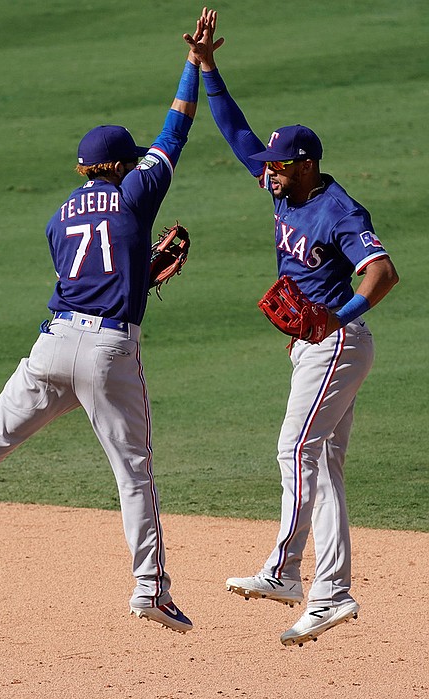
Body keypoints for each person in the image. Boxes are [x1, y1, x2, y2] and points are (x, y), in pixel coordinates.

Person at [0, 15, 218, 634]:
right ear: (120, 165)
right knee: (133, 471)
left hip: (53, 344)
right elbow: (177, 129)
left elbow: (89, 276)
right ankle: (150, 588)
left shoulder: (58, 217)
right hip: (110, 352)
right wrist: (194, 65)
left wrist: (138, 270)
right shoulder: (138, 190)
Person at [195, 10, 399, 645]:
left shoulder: (340, 210)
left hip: (336, 342)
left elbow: (383, 273)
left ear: (307, 163)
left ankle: (285, 571)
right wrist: (209, 69)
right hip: (319, 347)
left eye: (281, 164)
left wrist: (336, 318)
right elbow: (237, 134)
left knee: (296, 449)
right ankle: (332, 591)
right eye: (272, 165)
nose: (270, 170)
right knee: (327, 461)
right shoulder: (285, 189)